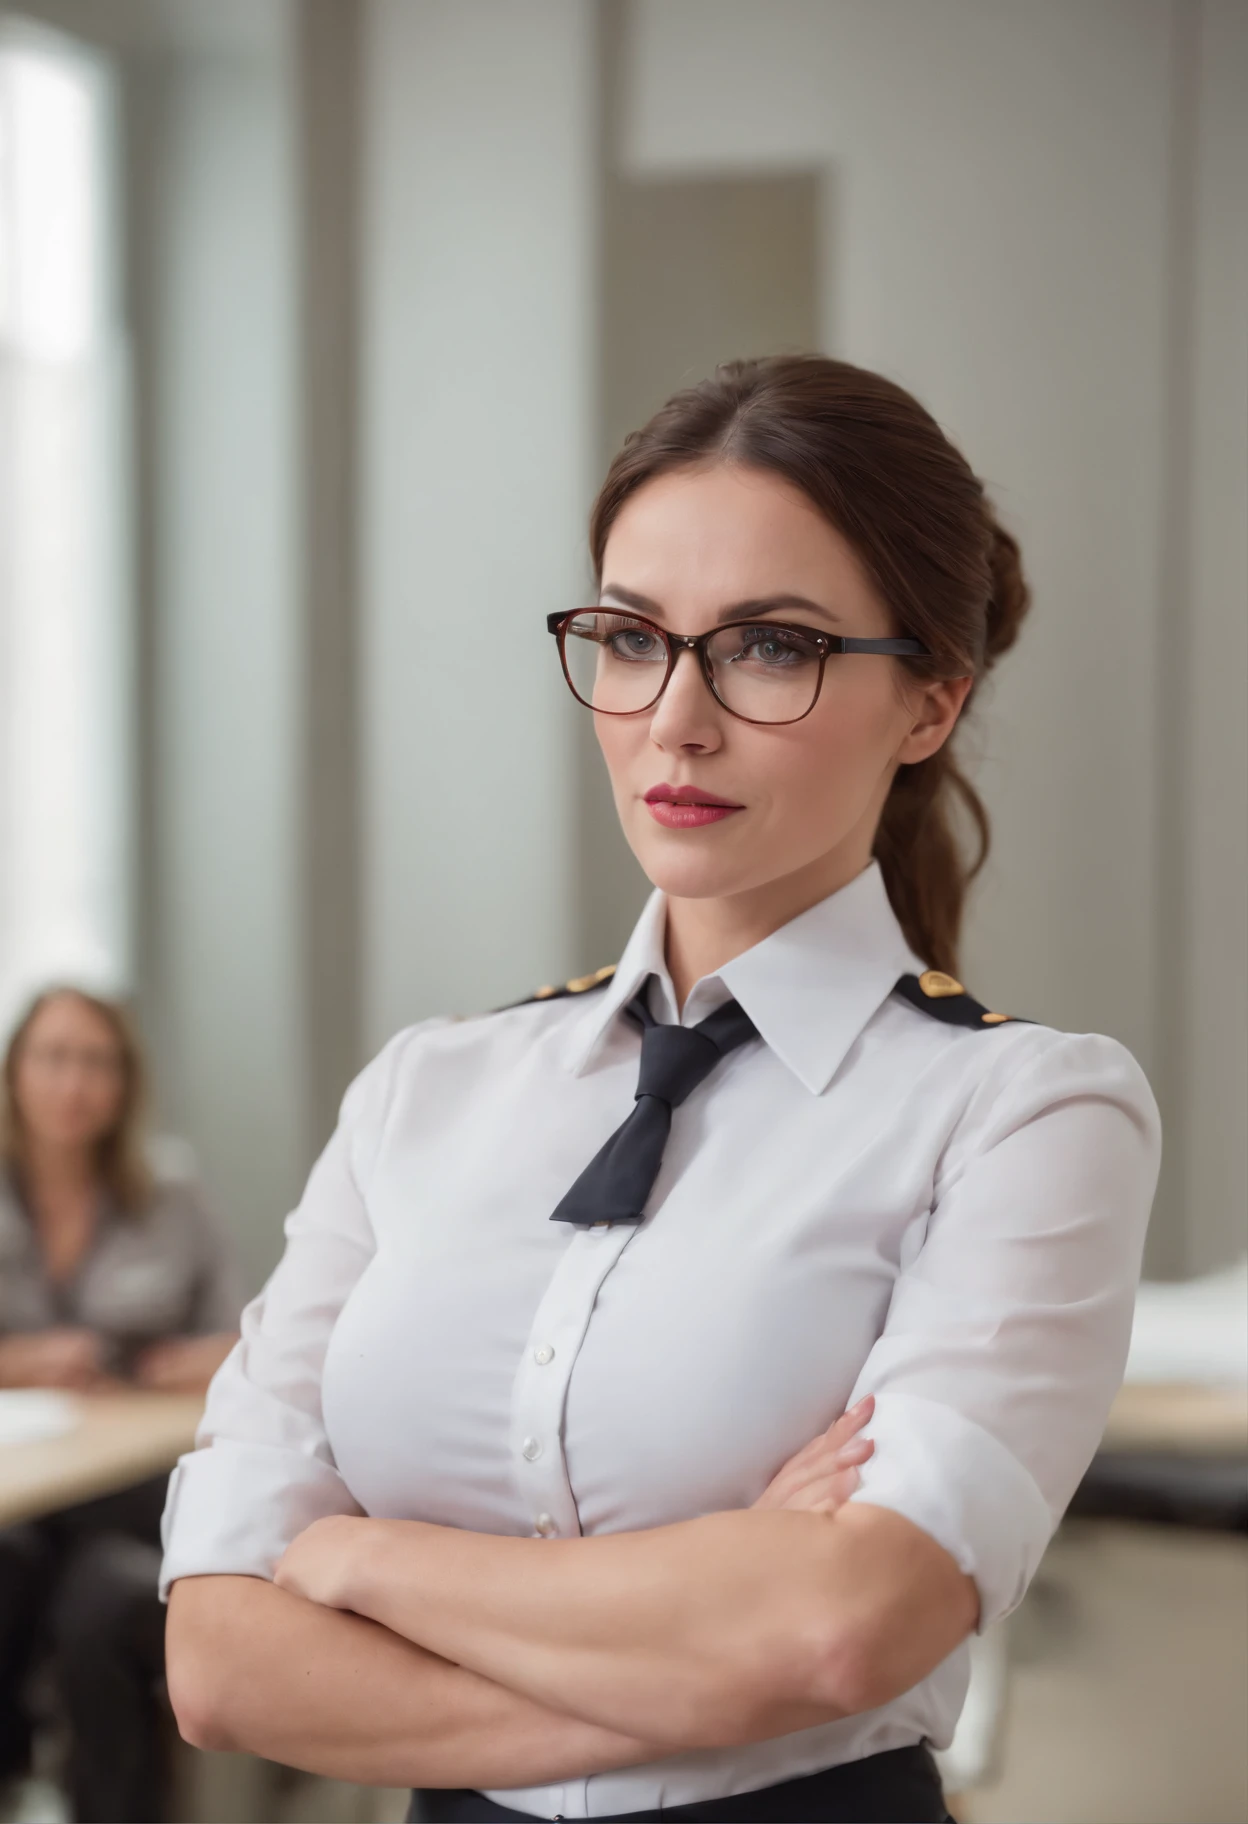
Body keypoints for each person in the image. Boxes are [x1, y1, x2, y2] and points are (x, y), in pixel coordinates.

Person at [160, 355, 1161, 1823]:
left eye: (769, 647)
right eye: (631, 638)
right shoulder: (425, 1094)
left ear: (932, 703)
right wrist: (708, 1622)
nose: (676, 719)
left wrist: (363, 1564)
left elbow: (839, 1629)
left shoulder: (1027, 1113)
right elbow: (223, 1671)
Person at [0, 987, 241, 1822]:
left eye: (96, 1061)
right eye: (53, 1057)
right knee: (13, 1566)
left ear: (124, 1083)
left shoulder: (171, 1196)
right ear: (15, 1073)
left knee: (101, 1599)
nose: (74, 1083)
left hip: (127, 1493)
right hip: (26, 1494)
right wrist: (21, 1360)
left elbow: (249, 1342)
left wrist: (182, 1363)